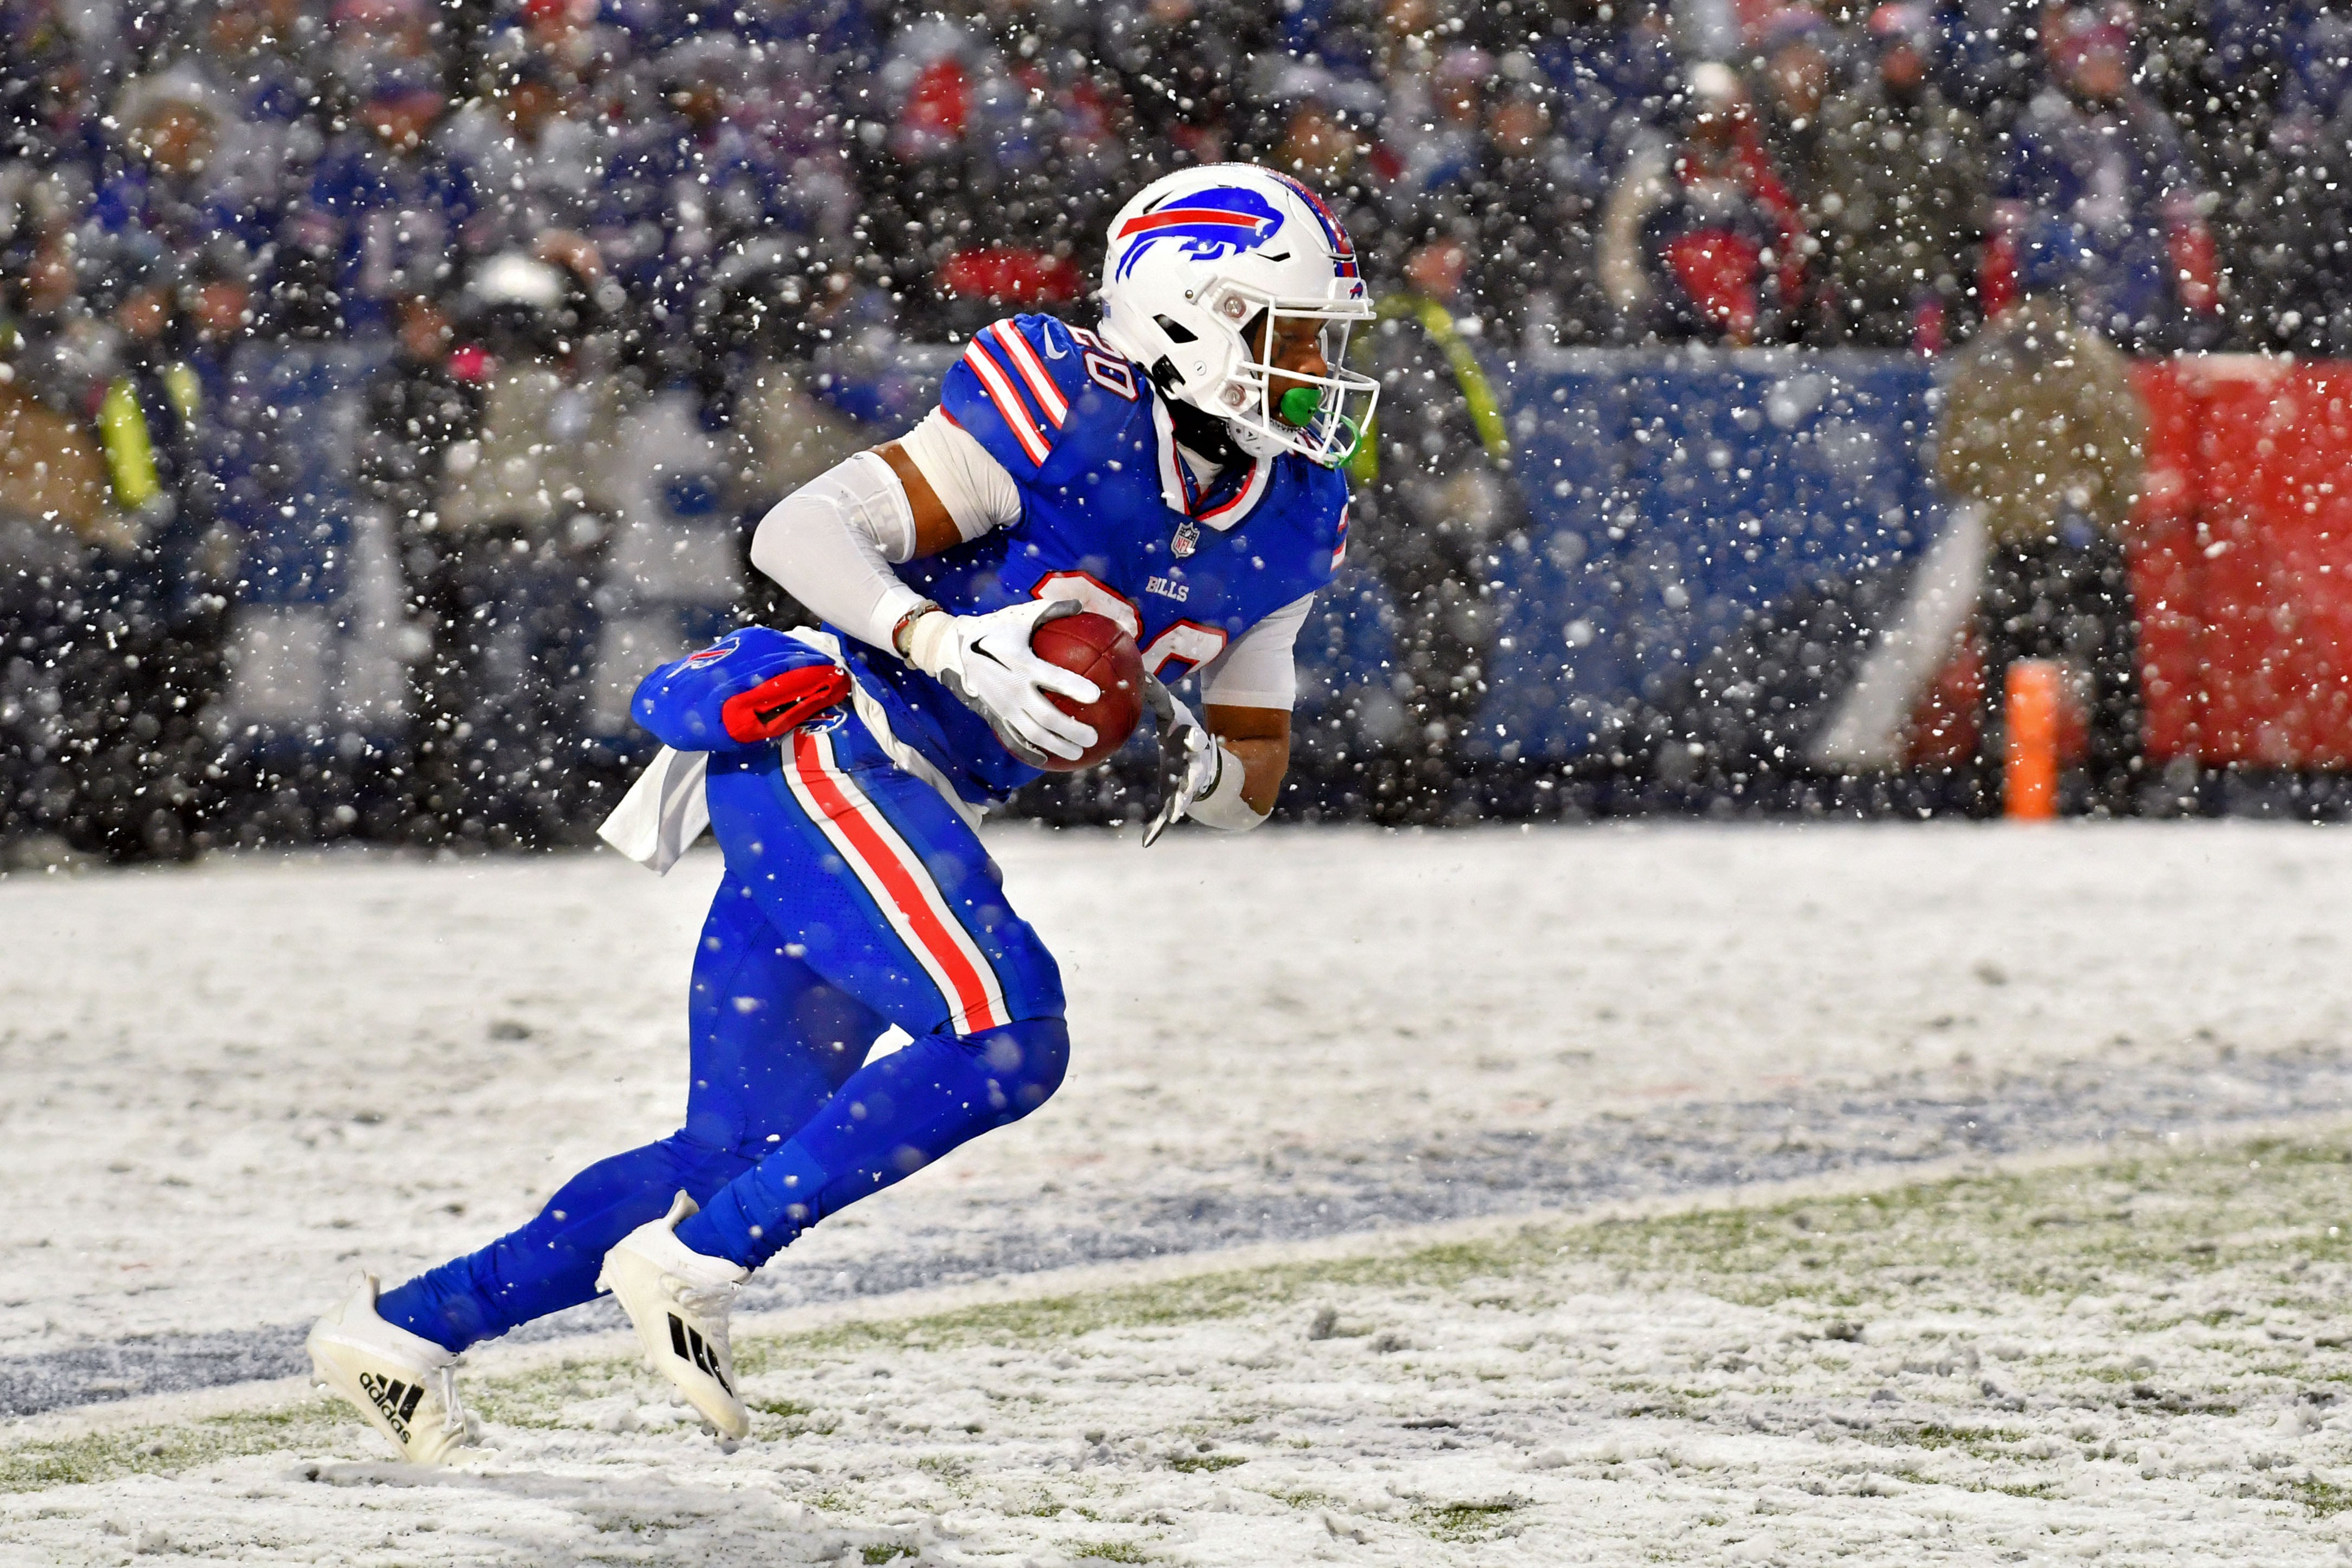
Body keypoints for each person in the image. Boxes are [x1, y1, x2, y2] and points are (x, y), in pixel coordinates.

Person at [304, 162, 1379, 1462]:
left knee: (732, 1144)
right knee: (1007, 1036)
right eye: (1289, 335)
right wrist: (947, 638)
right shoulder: (1065, 403)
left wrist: (1198, 766)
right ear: (1181, 314)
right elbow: (801, 533)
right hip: (830, 738)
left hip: (900, 793)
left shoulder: (1295, 511)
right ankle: (700, 1264)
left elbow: (1254, 736)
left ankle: (408, 1330)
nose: (1313, 371)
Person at [1937, 218, 2147, 816]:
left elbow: (1952, 464)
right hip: (2083, 541)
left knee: (2005, 671)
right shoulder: (2091, 361)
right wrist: (2098, 507)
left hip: (2013, 542)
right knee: (2110, 675)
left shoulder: (1983, 362)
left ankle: (2000, 788)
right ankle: (2116, 789)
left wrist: (2008, 498)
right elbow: (2123, 450)